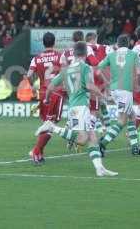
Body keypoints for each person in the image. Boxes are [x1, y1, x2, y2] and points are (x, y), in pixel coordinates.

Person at [35, 41, 118, 177]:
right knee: (82, 139)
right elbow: (90, 86)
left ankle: (100, 168)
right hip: (80, 108)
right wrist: (104, 96)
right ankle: (51, 127)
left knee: (92, 137)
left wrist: (47, 99)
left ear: (73, 53)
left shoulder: (65, 70)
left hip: (76, 107)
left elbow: (50, 86)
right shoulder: (86, 67)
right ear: (86, 53)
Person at [97, 34, 140, 156]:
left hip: (115, 89)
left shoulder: (111, 55)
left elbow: (98, 69)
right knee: (122, 120)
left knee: (132, 116)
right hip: (125, 90)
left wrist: (107, 81)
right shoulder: (134, 55)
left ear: (117, 44)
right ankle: (103, 144)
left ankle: (135, 147)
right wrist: (138, 85)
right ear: (128, 43)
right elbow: (139, 72)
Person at [27, 32, 63, 163]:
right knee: (51, 124)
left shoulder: (36, 58)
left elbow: (29, 74)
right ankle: (36, 150)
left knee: (45, 124)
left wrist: (32, 87)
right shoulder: (60, 56)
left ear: (43, 43)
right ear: (54, 42)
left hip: (43, 93)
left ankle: (40, 155)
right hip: (56, 92)